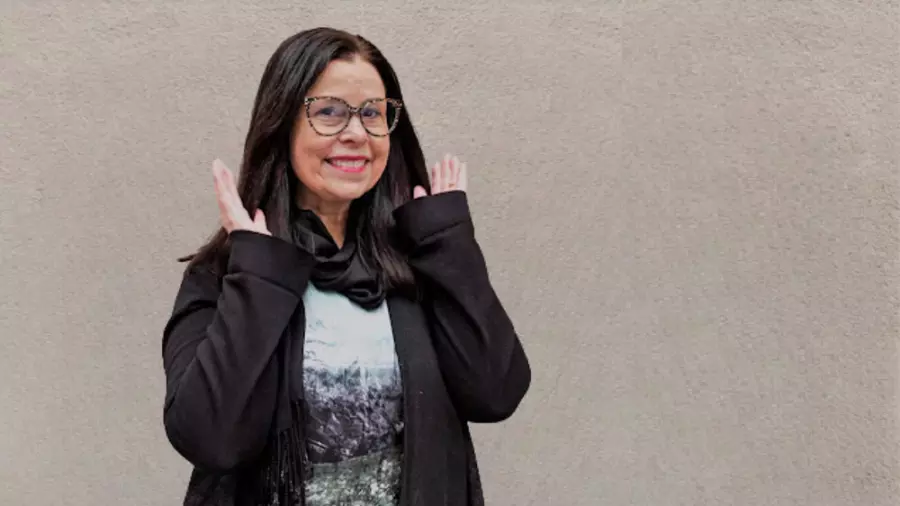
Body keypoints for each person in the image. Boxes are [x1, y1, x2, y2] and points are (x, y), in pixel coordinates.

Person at [160, 27, 531, 506]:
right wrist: (257, 275)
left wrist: (449, 246)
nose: (356, 133)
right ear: (282, 123)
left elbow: (496, 393)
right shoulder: (226, 276)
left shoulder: (414, 267)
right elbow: (209, 439)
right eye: (329, 112)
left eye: (372, 113)